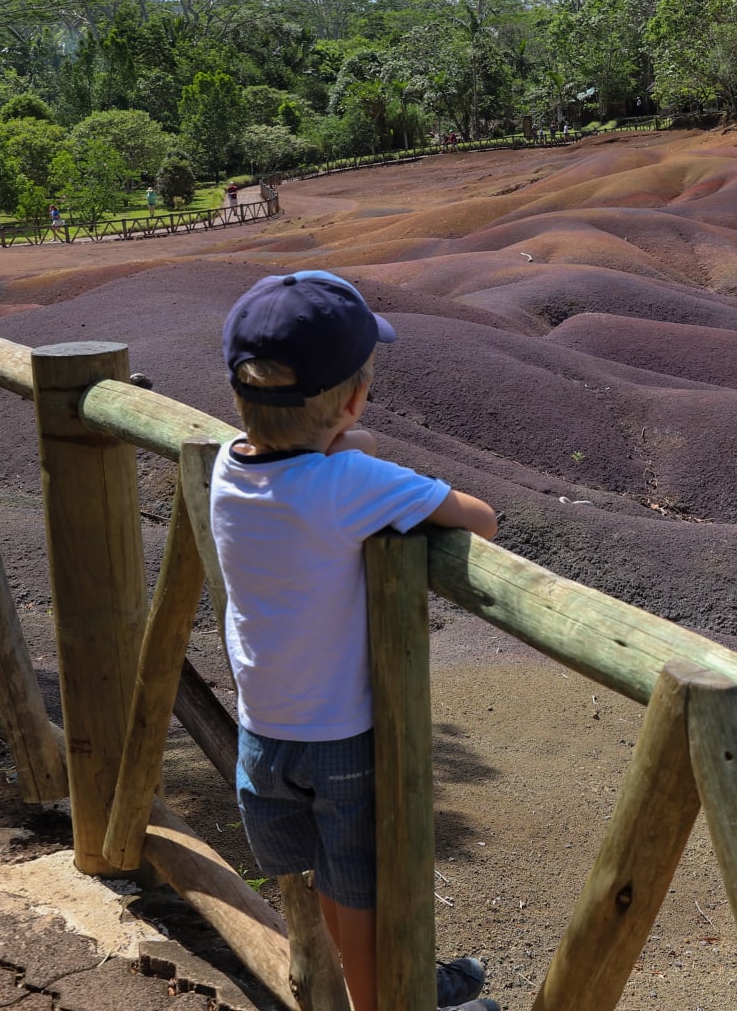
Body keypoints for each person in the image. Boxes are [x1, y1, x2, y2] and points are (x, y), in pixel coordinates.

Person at [212, 271, 501, 1011]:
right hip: (339, 742)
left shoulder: (226, 469)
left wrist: (345, 441)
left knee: (335, 888)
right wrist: (357, 452)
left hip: (262, 740)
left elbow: (310, 463)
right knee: (365, 897)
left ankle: (410, 988)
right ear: (351, 399)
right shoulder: (350, 485)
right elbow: (481, 519)